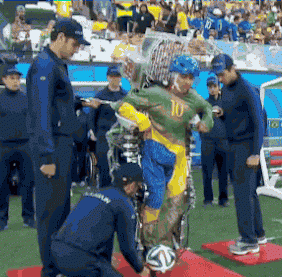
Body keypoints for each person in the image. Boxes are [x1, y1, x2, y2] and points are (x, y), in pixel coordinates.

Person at [101, 54, 213, 256]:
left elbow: (207, 108)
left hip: (178, 157)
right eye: (184, 76)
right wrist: (141, 120)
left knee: (179, 200)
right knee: (156, 197)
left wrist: (206, 122)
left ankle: (167, 242)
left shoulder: (193, 97)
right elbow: (122, 104)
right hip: (154, 153)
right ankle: (149, 244)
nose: (188, 81)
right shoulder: (156, 94)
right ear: (174, 75)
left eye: (191, 77)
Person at [26, 19, 93, 277]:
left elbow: (57, 104)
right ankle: (49, 272)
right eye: (75, 43)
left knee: (62, 209)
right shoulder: (44, 65)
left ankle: (58, 264)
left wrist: (80, 102)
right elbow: (39, 114)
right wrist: (46, 157)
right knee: (50, 212)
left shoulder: (55, 64)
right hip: (52, 147)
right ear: (61, 37)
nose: (77, 49)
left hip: (61, 146)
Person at [49, 163, 151, 277]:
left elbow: (99, 233)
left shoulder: (92, 193)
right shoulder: (124, 204)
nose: (138, 190)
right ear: (129, 184)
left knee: (96, 274)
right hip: (80, 259)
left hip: (57, 251)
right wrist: (141, 269)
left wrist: (106, 264)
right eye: (137, 185)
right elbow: (127, 248)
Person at [210, 54, 267, 255]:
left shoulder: (247, 89)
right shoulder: (226, 89)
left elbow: (259, 121)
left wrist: (255, 152)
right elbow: (232, 113)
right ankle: (258, 234)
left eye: (223, 74)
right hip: (233, 145)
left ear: (233, 68)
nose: (220, 79)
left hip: (246, 147)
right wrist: (222, 114)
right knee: (249, 192)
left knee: (242, 194)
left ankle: (248, 241)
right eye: (218, 75)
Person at [0, 65, 35, 232]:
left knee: (28, 183)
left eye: (17, 78)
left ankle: (28, 217)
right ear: (4, 80)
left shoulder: (27, 98)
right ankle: (1, 219)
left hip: (25, 146)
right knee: (1, 184)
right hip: (3, 147)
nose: (15, 81)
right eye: (12, 78)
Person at [90, 65, 128, 188]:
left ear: (121, 77)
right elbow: (92, 116)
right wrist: (93, 132)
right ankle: (104, 196)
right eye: (112, 76)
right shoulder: (100, 95)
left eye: (117, 76)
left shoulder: (126, 96)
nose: (115, 79)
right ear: (107, 77)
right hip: (103, 137)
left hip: (121, 136)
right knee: (104, 167)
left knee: (122, 168)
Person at [201, 74, 229, 207]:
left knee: (223, 172)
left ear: (219, 87)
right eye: (210, 87)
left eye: (214, 86)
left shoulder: (226, 103)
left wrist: (224, 114)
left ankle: (224, 199)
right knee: (207, 172)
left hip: (223, 142)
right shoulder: (205, 104)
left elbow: (233, 121)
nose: (212, 89)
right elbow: (199, 122)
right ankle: (208, 199)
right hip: (208, 143)